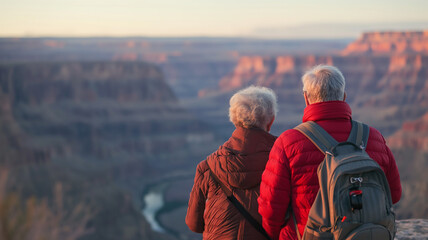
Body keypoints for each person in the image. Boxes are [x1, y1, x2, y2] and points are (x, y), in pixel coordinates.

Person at [258, 65, 402, 240]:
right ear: (343, 97)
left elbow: (271, 209)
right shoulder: (374, 137)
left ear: (306, 98)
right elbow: (394, 194)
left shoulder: (288, 142)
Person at [186, 86, 278, 240]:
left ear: (235, 120)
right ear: (270, 121)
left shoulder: (207, 167)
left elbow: (194, 224)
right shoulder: (282, 160)